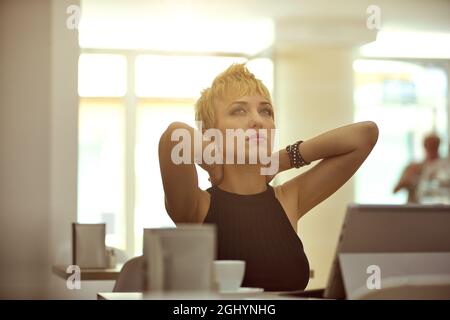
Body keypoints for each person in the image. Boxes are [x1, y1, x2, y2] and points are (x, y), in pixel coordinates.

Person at [158, 63, 378, 291]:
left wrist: (281, 160)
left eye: (265, 111)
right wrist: (214, 164)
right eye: (239, 110)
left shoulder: (288, 199)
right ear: (209, 133)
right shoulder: (196, 207)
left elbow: (365, 135)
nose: (258, 121)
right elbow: (175, 136)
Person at [393, 133, 441, 203]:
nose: (431, 148)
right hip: (414, 210)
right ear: (424, 146)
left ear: (438, 146)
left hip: (438, 210)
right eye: (428, 145)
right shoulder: (413, 167)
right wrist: (408, 179)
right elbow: (395, 190)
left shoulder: (445, 168)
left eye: (433, 145)